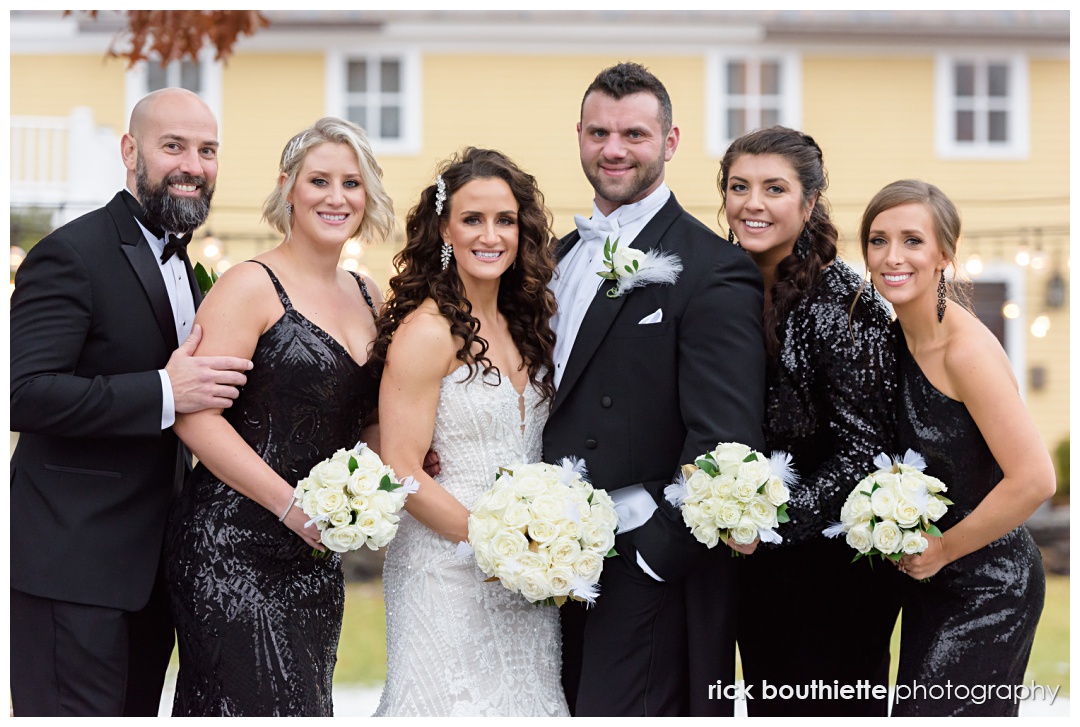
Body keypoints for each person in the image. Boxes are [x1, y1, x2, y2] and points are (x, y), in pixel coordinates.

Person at [9, 88, 252, 716]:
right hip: (74, 569)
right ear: (129, 151)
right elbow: (26, 394)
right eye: (173, 146)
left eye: (207, 150)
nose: (192, 165)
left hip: (152, 576)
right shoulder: (70, 253)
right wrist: (165, 391)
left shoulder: (187, 263)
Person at [543, 62, 766, 717]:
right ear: (579, 135)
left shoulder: (714, 269)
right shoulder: (553, 258)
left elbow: (724, 438)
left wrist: (651, 560)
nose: (614, 149)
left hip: (645, 569)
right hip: (551, 562)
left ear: (670, 143)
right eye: (599, 132)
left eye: (634, 134)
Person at [163, 116, 393, 716]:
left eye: (352, 183)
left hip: (316, 555)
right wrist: (288, 505)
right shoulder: (249, 285)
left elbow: (365, 421)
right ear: (288, 186)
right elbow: (194, 418)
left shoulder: (372, 296)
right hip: (232, 545)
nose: (336, 197)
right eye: (320, 180)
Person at [370, 147, 566, 716]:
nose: (491, 235)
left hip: (526, 579)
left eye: (505, 220)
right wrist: (504, 548)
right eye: (472, 219)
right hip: (444, 572)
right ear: (444, 228)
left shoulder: (527, 323)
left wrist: (537, 554)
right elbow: (401, 467)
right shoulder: (426, 332)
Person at [717, 126, 905, 716]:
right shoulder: (731, 289)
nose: (753, 203)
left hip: (834, 573)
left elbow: (864, 453)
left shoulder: (842, 304)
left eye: (774, 188)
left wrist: (768, 521)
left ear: (811, 201)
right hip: (765, 569)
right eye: (738, 186)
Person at [859, 179, 1053, 717]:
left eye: (912, 241)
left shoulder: (966, 352)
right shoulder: (892, 337)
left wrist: (942, 549)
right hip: (929, 580)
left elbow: (1036, 479)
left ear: (945, 253)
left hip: (990, 585)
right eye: (878, 240)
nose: (892, 257)